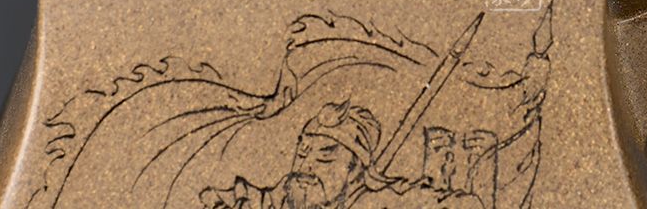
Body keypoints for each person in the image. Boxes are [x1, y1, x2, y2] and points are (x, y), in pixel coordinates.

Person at [200, 101, 490, 209]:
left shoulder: (382, 202)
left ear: (355, 169)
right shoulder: (287, 197)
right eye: (303, 154)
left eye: (325, 157)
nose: (306, 167)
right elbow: (240, 199)